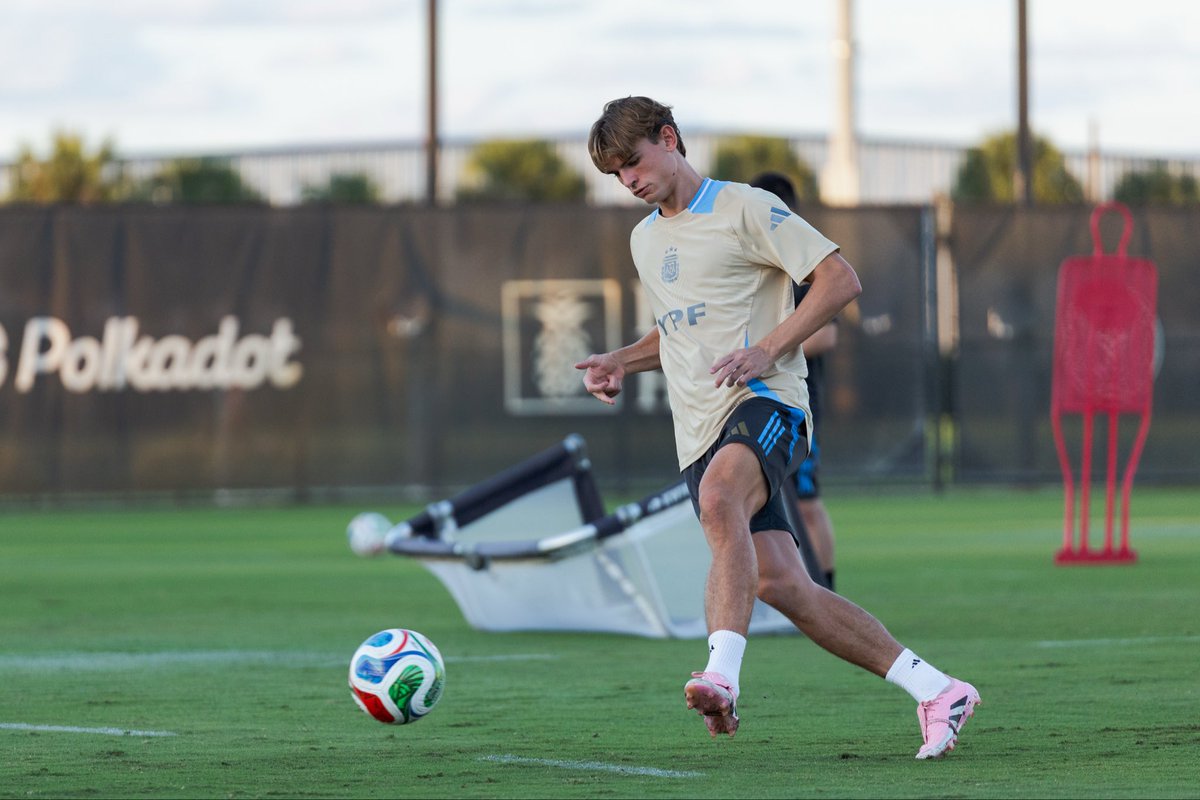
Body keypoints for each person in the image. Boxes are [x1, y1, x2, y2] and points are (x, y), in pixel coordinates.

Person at [575, 96, 980, 758]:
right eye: (616, 175)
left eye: (633, 163)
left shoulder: (747, 207)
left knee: (718, 500)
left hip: (770, 402)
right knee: (786, 586)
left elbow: (838, 280)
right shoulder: (644, 239)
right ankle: (939, 690)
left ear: (669, 138)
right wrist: (621, 360)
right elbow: (681, 331)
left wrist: (768, 348)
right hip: (699, 432)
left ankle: (722, 678)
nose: (629, 182)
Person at [749, 171, 838, 591]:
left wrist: (768, 346)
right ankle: (789, 590)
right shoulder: (752, 270)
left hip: (795, 407)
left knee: (807, 503)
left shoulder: (801, 268)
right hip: (752, 407)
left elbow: (826, 334)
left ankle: (825, 590)